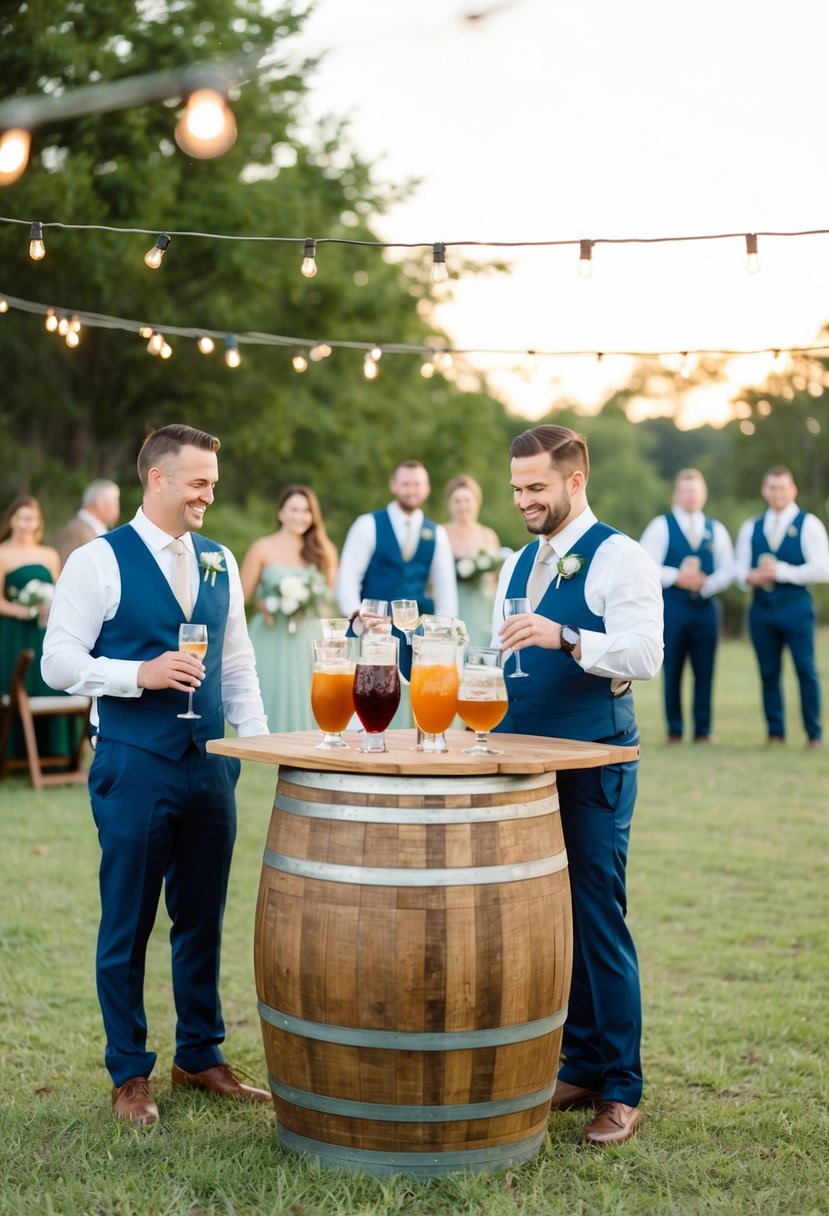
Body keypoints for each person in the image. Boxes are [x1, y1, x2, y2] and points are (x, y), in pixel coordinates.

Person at [42, 424, 270, 1126]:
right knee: (129, 922)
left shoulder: (218, 560)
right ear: (158, 480)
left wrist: (255, 746)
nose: (210, 492)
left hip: (210, 768)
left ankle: (199, 1055)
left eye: (213, 481)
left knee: (200, 919)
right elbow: (59, 661)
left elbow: (237, 664)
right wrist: (135, 674)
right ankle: (128, 1072)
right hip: (132, 764)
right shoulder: (97, 561)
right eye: (199, 481)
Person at [491, 424, 663, 1146]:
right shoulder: (516, 562)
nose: (523, 500)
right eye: (516, 489)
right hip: (521, 764)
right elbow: (499, 646)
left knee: (596, 916)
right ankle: (580, 1062)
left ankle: (620, 1086)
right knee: (546, 920)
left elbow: (643, 653)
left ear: (573, 480)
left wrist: (565, 637)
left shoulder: (619, 557)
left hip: (592, 760)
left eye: (535, 488)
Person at [336, 459, 458, 679]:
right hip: (373, 632)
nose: (412, 490)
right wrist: (360, 625)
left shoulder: (436, 532)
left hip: (416, 637)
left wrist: (442, 635)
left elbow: (445, 589)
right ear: (394, 486)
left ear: (427, 489)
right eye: (406, 484)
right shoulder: (367, 524)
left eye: (417, 484)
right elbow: (347, 579)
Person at [734, 465, 829, 747]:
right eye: (772, 487)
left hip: (796, 606)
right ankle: (775, 733)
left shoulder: (808, 523)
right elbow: (738, 571)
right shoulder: (752, 526)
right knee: (768, 672)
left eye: (782, 488)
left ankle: (814, 734)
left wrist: (782, 572)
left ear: (793, 490)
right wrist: (750, 577)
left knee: (805, 668)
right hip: (762, 610)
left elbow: (824, 569)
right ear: (765, 490)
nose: (777, 493)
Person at [639, 469, 734, 743]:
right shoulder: (661, 525)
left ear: (703, 495)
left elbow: (728, 570)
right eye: (685, 490)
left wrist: (707, 583)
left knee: (705, 670)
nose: (690, 496)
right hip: (674, 606)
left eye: (695, 491)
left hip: (706, 608)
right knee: (673, 668)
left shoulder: (716, 529)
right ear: (677, 494)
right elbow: (645, 565)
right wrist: (676, 577)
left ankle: (703, 730)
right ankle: (674, 729)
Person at [240, 484, 338, 733]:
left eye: (307, 511)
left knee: (310, 694)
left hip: (310, 636)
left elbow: (329, 596)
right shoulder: (262, 547)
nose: (300, 516)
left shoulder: (324, 550)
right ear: (281, 513)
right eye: (294, 509)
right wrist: (265, 603)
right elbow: (241, 596)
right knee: (270, 690)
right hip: (271, 634)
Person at [0, 495, 73, 761]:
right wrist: (24, 610)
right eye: (20, 517)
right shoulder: (2, 553)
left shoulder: (49, 554)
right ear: (11, 520)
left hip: (44, 632)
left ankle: (55, 751)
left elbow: (58, 592)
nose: (25, 523)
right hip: (13, 634)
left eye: (30, 518)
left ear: (37, 522)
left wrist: (48, 606)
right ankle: (14, 754)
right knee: (18, 684)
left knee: (48, 682)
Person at [444, 474, 504, 646]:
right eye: (457, 501)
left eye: (467, 500)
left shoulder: (488, 535)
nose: (463, 506)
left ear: (476, 502)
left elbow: (498, 576)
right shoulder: (442, 533)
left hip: (484, 605)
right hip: (455, 604)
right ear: (449, 503)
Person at [55, 479, 121, 565]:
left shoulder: (97, 528)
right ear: (101, 503)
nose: (117, 510)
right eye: (115, 502)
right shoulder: (74, 532)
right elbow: (67, 569)